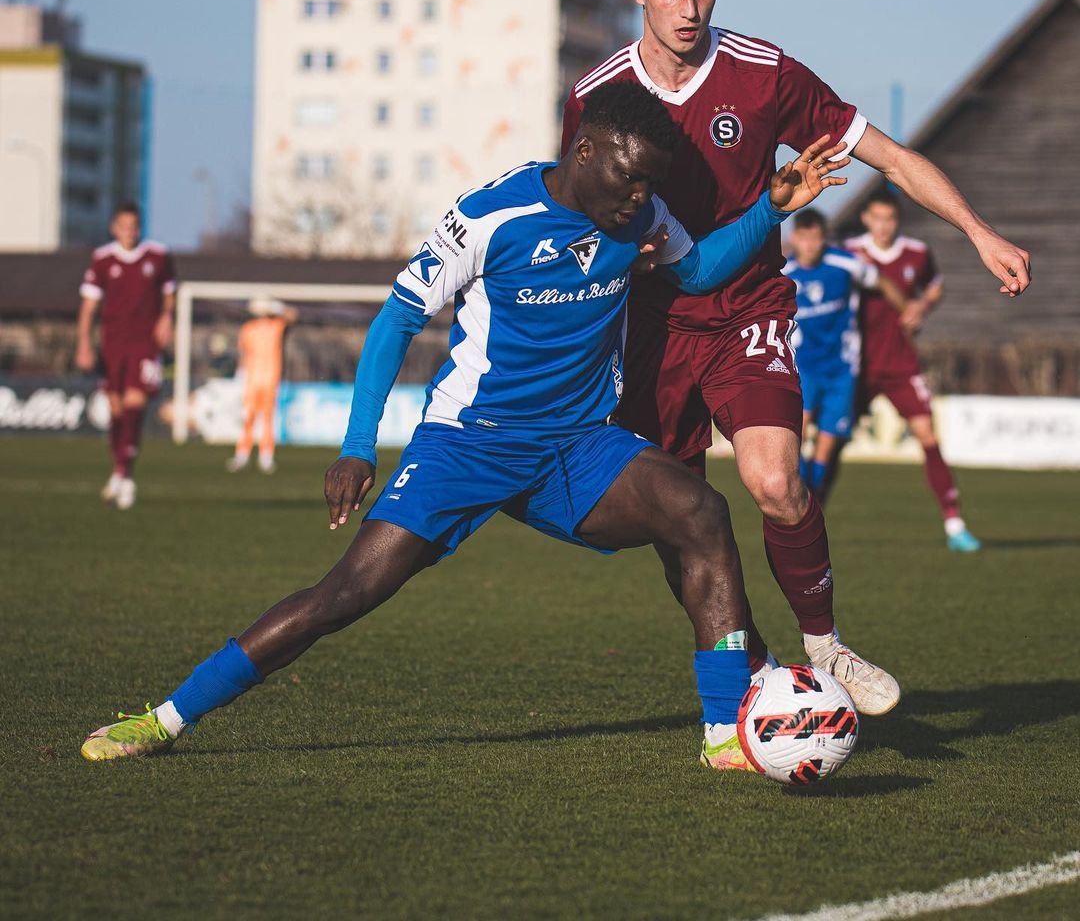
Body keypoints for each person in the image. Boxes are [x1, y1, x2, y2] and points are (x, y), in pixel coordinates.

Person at [80, 82, 849, 772]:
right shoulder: (489, 215)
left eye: (651, 183)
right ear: (585, 151)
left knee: (701, 511)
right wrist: (357, 446)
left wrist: (771, 208)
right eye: (629, 177)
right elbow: (395, 320)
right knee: (342, 595)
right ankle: (166, 718)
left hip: (578, 443)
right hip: (468, 443)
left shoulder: (640, 213)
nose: (640, 197)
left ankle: (723, 734)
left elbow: (699, 271)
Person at [561, 0, 1030, 715]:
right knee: (681, 522)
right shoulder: (596, 96)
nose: (690, 10)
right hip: (649, 331)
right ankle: (760, 670)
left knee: (775, 482)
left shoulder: (764, 72)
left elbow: (889, 156)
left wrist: (978, 231)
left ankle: (825, 644)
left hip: (747, 308)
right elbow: (574, 215)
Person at [844, 195, 981, 551]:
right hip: (856, 364)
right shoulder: (849, 252)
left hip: (901, 363)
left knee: (928, 436)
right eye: (877, 217)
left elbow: (935, 285)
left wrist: (922, 305)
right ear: (866, 218)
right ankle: (803, 523)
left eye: (889, 218)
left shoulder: (917, 253)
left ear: (897, 220)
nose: (883, 225)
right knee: (829, 441)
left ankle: (955, 524)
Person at [782, 210, 907, 502]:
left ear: (824, 239)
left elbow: (882, 281)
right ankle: (802, 500)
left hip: (842, 368)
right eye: (804, 238)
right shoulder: (784, 273)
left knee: (826, 447)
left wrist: (908, 312)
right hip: (802, 367)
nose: (810, 245)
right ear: (794, 238)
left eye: (816, 238)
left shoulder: (845, 264)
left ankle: (812, 501)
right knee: (795, 436)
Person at [76, 205, 176, 511]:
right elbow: (89, 306)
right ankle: (119, 470)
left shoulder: (157, 255)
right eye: (124, 225)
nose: (129, 231)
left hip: (145, 344)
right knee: (116, 410)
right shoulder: (102, 259)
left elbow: (169, 292)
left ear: (140, 227)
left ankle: (124, 476)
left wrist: (166, 318)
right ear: (114, 227)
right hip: (113, 345)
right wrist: (84, 344)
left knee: (135, 404)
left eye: (134, 225)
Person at [226, 299, 298, 474]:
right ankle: (242, 454)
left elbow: (293, 315)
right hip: (252, 378)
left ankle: (266, 456)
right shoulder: (248, 328)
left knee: (267, 418)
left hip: (270, 378)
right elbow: (244, 353)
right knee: (248, 417)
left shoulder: (276, 326)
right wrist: (241, 372)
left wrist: (277, 307)